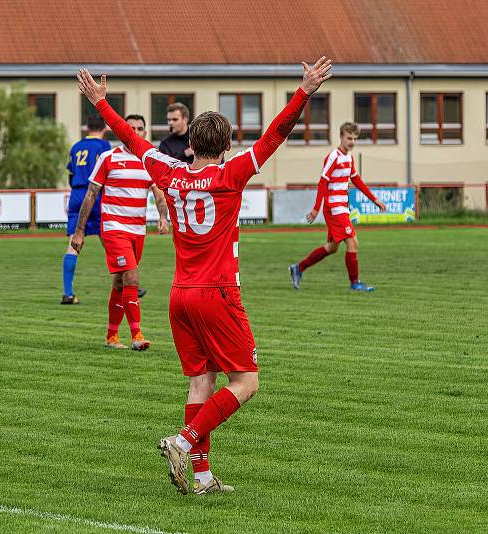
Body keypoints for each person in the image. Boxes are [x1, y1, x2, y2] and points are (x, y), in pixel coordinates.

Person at [77, 55, 332, 495]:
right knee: (246, 381)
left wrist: (101, 103)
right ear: (227, 145)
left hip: (180, 296)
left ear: (190, 144)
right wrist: (304, 91)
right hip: (217, 293)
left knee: (201, 381)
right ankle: (184, 440)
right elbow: (277, 134)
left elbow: (133, 141)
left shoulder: (170, 172)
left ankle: (200, 476)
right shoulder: (231, 173)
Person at [70, 115, 169, 351]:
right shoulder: (108, 157)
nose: (135, 131)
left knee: (120, 283)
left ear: (145, 132)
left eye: (140, 128)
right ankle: (137, 336)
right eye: (130, 128)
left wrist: (163, 216)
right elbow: (91, 194)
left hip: (138, 230)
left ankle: (111, 337)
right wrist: (79, 232)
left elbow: (158, 193)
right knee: (132, 278)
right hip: (115, 229)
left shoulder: (149, 161)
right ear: (121, 131)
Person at [289, 123, 386, 292]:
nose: (352, 142)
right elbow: (323, 182)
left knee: (332, 248)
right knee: (353, 242)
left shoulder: (349, 158)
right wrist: (316, 208)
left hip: (342, 207)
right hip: (334, 208)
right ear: (341, 136)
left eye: (355, 139)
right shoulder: (333, 156)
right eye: (349, 138)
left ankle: (298, 268)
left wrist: (374, 199)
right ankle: (355, 283)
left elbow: (357, 180)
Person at [61, 115, 111, 304]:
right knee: (110, 242)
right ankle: (130, 285)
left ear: (87, 128)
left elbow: (71, 173)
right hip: (95, 194)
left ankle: (68, 293)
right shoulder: (104, 147)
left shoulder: (76, 147)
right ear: (105, 128)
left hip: (76, 194)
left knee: (74, 242)